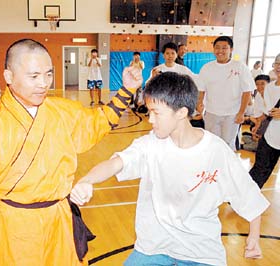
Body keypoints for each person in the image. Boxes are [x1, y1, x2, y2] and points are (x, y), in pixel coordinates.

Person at [0, 39, 142, 265]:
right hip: (13, 226)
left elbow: (99, 121)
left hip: (59, 221)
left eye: (48, 74)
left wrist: (127, 89)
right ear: (9, 77)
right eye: (34, 76)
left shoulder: (62, 111)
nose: (43, 83)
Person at [71, 72, 270, 266]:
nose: (150, 120)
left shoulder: (217, 151)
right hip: (153, 247)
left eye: (156, 113)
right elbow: (116, 163)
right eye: (149, 112)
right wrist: (87, 180)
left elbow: (247, 194)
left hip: (201, 252)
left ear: (182, 112)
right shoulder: (151, 144)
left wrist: (253, 237)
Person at [197, 36, 255, 150]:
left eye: (224, 48)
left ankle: (227, 167)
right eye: (217, 47)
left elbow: (247, 91)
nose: (220, 51)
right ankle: (213, 167)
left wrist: (241, 112)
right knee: (211, 143)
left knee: (228, 144)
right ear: (213, 49)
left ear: (231, 49)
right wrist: (200, 104)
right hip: (211, 112)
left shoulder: (240, 66)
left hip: (232, 114)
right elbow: (202, 89)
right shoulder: (206, 68)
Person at [249, 54, 280, 188]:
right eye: (277, 63)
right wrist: (258, 124)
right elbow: (268, 112)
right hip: (270, 137)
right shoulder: (270, 87)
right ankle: (244, 198)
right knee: (259, 170)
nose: (279, 67)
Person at [240, 74, 271, 152]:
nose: (259, 86)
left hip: (270, 125)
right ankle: (256, 140)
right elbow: (258, 116)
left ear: (269, 84)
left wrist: (257, 128)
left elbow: (267, 115)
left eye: (262, 84)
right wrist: (256, 128)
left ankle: (255, 144)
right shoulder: (258, 95)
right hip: (261, 122)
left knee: (261, 146)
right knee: (245, 136)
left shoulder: (272, 96)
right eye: (257, 84)